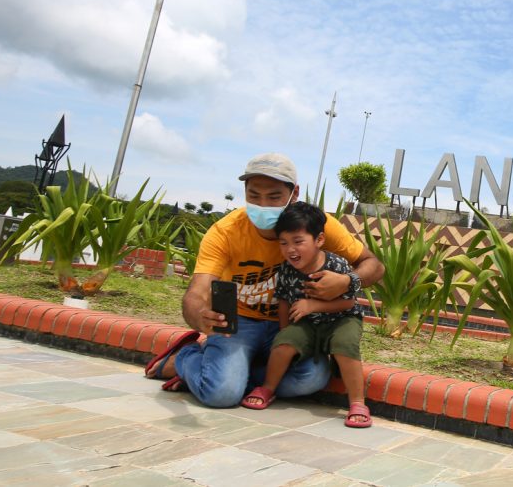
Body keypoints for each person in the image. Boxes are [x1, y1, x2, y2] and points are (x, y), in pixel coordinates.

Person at [144, 152, 384, 408]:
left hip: (292, 324)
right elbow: (196, 292)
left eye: (274, 196)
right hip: (240, 323)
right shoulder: (225, 232)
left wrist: (347, 282)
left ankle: (227, 374)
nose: (263, 205)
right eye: (254, 195)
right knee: (221, 395)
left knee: (311, 378)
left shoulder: (315, 226)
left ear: (294, 194)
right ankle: (187, 357)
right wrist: (199, 315)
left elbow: (374, 265)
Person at [240, 202, 370, 427]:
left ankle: (358, 402)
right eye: (284, 243)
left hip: (342, 319)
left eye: (298, 242)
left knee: (345, 344)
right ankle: (268, 388)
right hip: (307, 324)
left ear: (319, 240)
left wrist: (313, 306)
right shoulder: (286, 270)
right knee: (284, 342)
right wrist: (284, 332)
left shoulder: (336, 265)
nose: (291, 249)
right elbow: (282, 300)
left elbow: (349, 302)